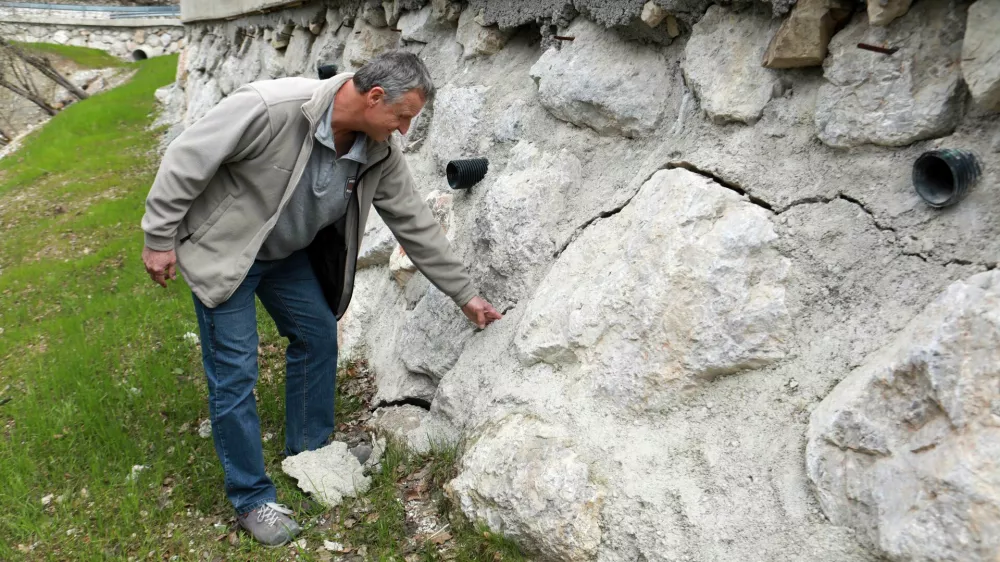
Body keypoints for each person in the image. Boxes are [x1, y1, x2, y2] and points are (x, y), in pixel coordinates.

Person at [140, 51, 502, 546]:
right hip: (226, 253)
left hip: (285, 256)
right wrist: (159, 238)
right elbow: (186, 159)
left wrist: (465, 295)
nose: (402, 130)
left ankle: (309, 450)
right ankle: (251, 498)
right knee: (235, 374)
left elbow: (414, 222)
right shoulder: (270, 107)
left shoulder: (377, 151)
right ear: (374, 97)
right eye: (402, 117)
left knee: (316, 337)